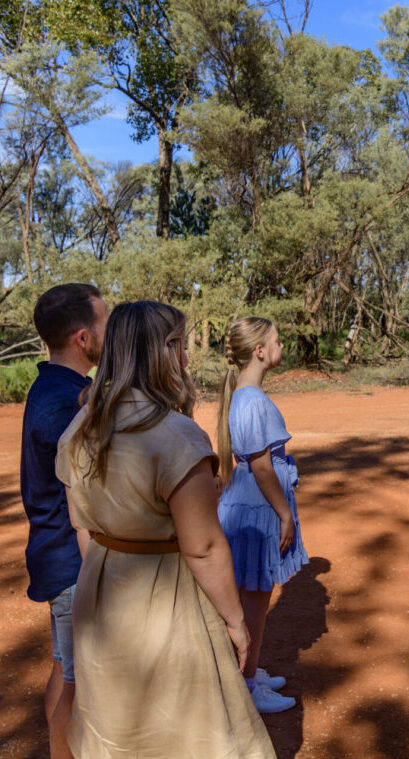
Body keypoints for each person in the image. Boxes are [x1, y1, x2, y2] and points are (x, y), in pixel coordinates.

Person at [56, 301, 275, 758]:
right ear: (164, 350)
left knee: (116, 727)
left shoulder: (80, 427)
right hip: (167, 599)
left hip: (99, 591)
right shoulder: (174, 434)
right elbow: (204, 547)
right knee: (191, 730)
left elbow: (82, 526)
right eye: (182, 346)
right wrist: (237, 622)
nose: (187, 361)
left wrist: (106, 574)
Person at [19, 284, 107, 759]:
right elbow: (74, 463)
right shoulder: (63, 400)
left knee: (64, 670)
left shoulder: (59, 386)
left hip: (61, 558)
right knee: (79, 685)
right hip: (72, 561)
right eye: (104, 324)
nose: (108, 334)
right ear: (82, 337)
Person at [217, 316, 308, 714]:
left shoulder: (243, 395)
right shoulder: (252, 399)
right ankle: (247, 686)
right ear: (259, 351)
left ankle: (248, 672)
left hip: (250, 503)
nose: (281, 347)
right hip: (259, 507)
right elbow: (261, 465)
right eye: (277, 340)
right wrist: (284, 513)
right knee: (255, 601)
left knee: (252, 596)